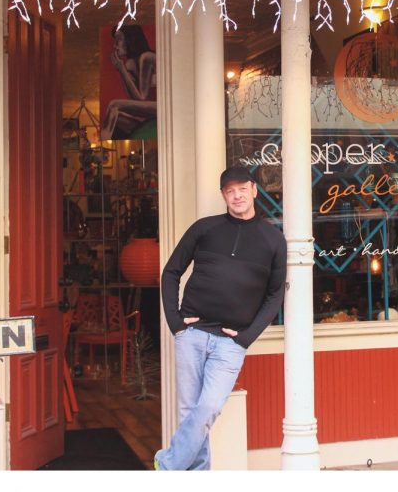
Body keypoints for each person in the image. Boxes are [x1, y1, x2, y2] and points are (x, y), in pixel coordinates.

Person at [154, 166, 287, 470]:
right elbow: (171, 271)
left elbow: (275, 295)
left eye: (242, 188)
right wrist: (175, 322)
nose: (236, 195)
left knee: (208, 407)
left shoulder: (273, 240)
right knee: (191, 414)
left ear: (254, 190)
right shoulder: (205, 228)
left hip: (230, 342)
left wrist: (244, 337)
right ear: (223, 196)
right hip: (192, 334)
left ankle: (167, 465)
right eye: (230, 191)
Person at [101, 25, 157, 140]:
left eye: (119, 40)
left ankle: (103, 144)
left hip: (163, 106)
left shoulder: (147, 58)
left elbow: (141, 98)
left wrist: (122, 70)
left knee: (113, 105)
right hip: (150, 110)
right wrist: (123, 71)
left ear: (130, 39)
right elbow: (133, 98)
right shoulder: (131, 63)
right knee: (117, 119)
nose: (115, 45)